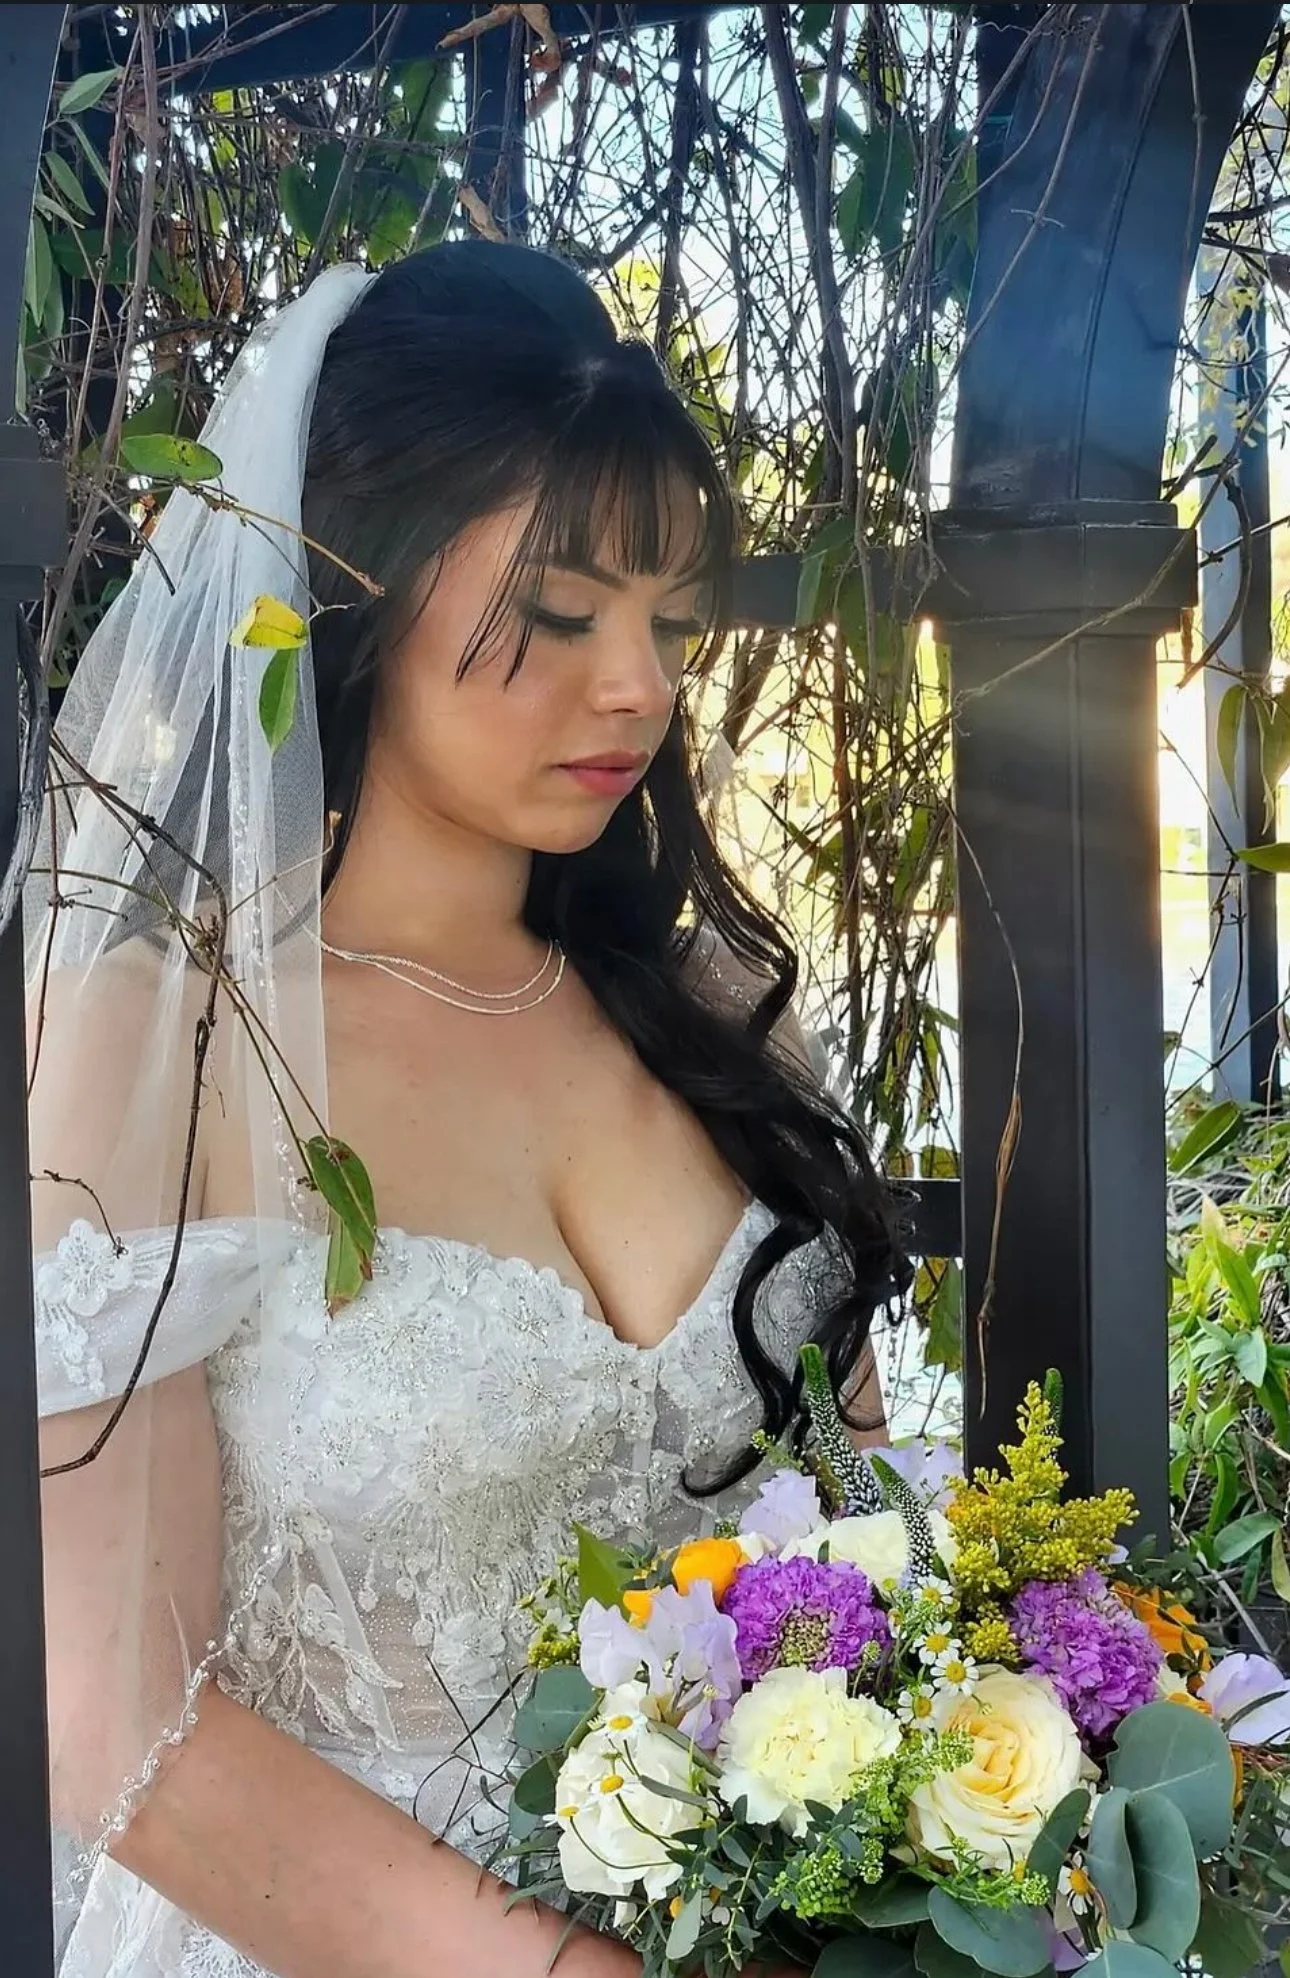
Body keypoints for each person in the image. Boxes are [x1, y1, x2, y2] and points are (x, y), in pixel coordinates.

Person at [30, 243, 903, 1978]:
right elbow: (113, 1712)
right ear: (355, 585)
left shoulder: (715, 1015)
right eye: (567, 612)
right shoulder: (165, 1045)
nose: (640, 684)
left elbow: (856, 1532)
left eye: (667, 618)